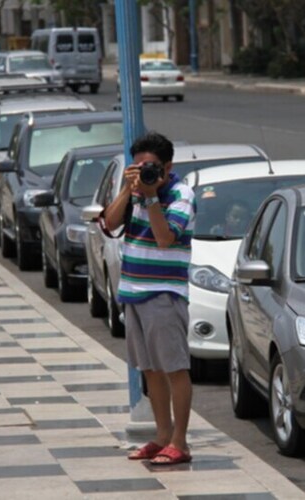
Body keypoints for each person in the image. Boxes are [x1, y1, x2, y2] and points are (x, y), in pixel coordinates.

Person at [102, 132, 196, 466]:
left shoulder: (181, 193)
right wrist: (129, 189)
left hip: (164, 294)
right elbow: (110, 223)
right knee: (150, 370)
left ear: (168, 166)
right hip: (133, 291)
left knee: (174, 368)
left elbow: (164, 239)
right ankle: (161, 435)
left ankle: (180, 442)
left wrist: (152, 197)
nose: (144, 172)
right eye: (138, 166)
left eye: (150, 167)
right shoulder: (133, 190)